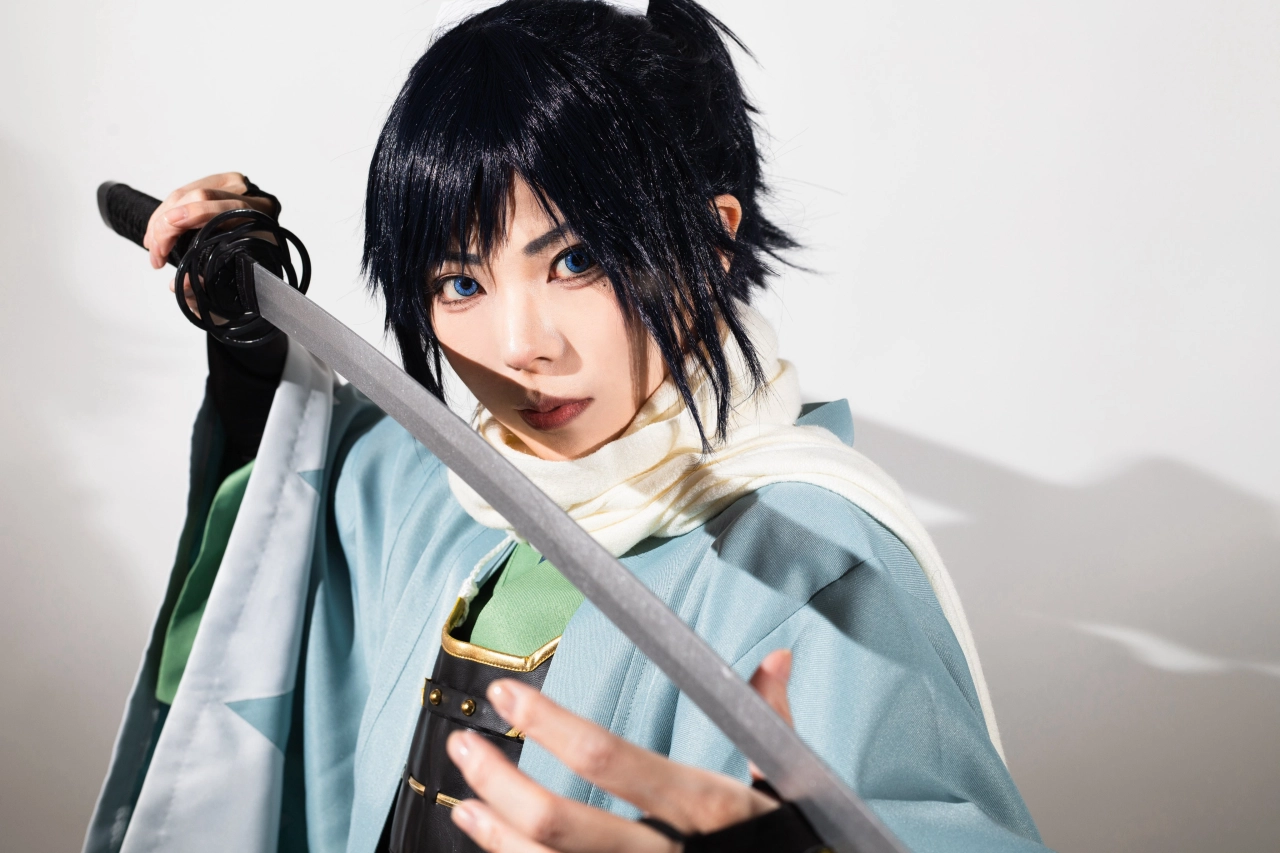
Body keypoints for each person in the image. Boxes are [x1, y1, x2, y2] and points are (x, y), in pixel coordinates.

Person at [86, 2, 1049, 852]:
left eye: (578, 259)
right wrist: (253, 337)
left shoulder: (809, 563)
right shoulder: (437, 491)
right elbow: (283, 512)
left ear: (711, 241)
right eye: (459, 282)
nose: (520, 347)